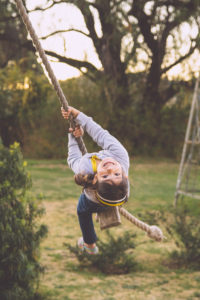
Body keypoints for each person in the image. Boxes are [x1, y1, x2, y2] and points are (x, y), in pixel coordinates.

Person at [61, 106, 130, 254]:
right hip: (119, 195)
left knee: (82, 212)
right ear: (125, 175)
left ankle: (90, 244)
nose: (110, 169)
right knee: (114, 191)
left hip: (94, 201)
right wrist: (78, 114)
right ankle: (112, 204)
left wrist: (74, 137)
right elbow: (99, 133)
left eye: (105, 176)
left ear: (95, 179)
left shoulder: (85, 169)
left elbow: (73, 158)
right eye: (116, 174)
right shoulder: (121, 156)